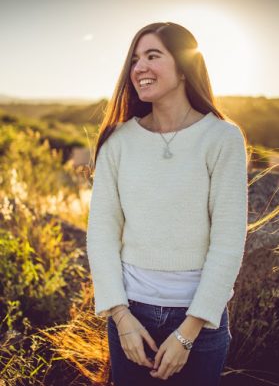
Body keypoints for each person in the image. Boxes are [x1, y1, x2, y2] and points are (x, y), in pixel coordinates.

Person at [86, 21, 248, 386]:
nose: (139, 67)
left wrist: (188, 332)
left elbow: (228, 241)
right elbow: (101, 235)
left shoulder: (222, 138)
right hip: (131, 317)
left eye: (153, 56)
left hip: (200, 322)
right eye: (135, 58)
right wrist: (121, 318)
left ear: (184, 67)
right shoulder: (118, 142)